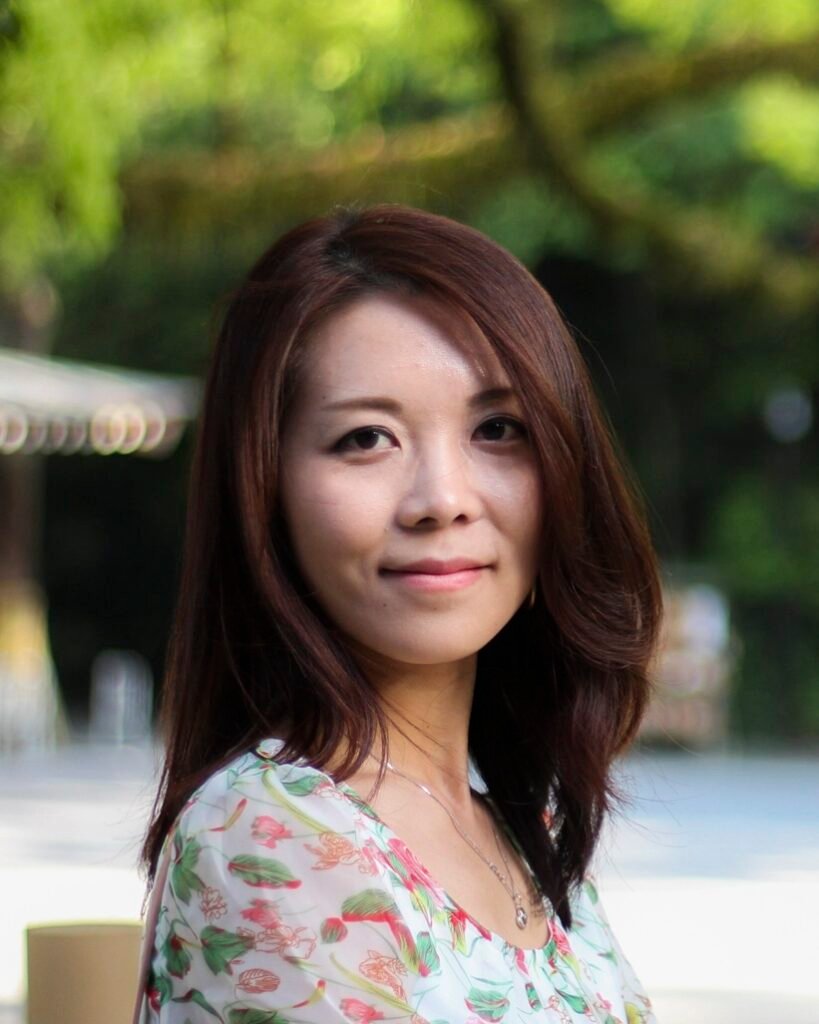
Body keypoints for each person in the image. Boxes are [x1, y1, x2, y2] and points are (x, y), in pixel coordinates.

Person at [136, 204, 663, 1023]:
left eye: (498, 428)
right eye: (366, 438)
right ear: (264, 487)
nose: (441, 499)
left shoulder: (519, 827)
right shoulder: (272, 834)